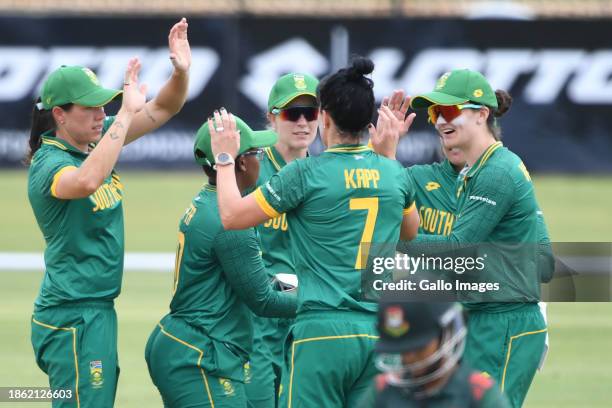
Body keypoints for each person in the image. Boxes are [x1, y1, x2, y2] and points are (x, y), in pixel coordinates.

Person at [209, 56, 420, 407]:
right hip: (379, 332)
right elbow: (409, 233)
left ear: (325, 118)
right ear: (370, 123)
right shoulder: (395, 173)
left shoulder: (306, 174)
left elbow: (231, 216)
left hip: (322, 331)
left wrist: (225, 158)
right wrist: (386, 157)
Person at [27, 18, 191, 408]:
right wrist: (123, 117)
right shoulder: (49, 163)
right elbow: (85, 182)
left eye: (105, 105)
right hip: (71, 318)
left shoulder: (92, 145)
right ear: (60, 115)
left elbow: (165, 106)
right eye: (90, 107)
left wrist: (180, 71)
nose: (102, 113)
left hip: (95, 312)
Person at [391, 69, 548, 408]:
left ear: (481, 114)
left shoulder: (498, 171)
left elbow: (455, 250)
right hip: (488, 319)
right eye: (435, 113)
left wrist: (394, 247)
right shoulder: (479, 170)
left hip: (505, 323)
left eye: (449, 111)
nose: (438, 121)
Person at [145, 113, 298, 408]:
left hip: (189, 344)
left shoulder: (211, 201)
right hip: (199, 353)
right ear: (240, 163)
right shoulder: (230, 224)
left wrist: (300, 286)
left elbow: (257, 280)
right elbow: (263, 300)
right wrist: (323, 298)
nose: (261, 161)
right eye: (255, 153)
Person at [246, 72, 319, 408]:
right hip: (259, 316)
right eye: (293, 113)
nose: (303, 122)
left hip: (309, 318)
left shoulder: (324, 175)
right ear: (272, 118)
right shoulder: (251, 171)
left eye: (311, 112)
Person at [362, 299, 510, 407]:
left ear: (445, 336)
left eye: (418, 348)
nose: (408, 358)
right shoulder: (382, 389)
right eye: (402, 350)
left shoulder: (478, 392)